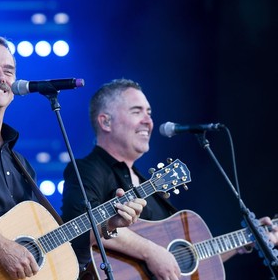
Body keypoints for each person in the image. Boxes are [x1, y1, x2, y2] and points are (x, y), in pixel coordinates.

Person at [0, 37, 146, 280]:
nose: (1, 76)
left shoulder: (20, 163)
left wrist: (106, 226)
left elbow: (58, 256)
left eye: (8, 70)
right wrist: (0, 246)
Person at [61, 78, 278, 280]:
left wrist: (247, 239)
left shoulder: (151, 186)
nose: (149, 121)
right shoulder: (87, 169)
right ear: (106, 122)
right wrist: (150, 251)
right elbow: (78, 229)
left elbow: (183, 262)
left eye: (150, 113)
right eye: (137, 112)